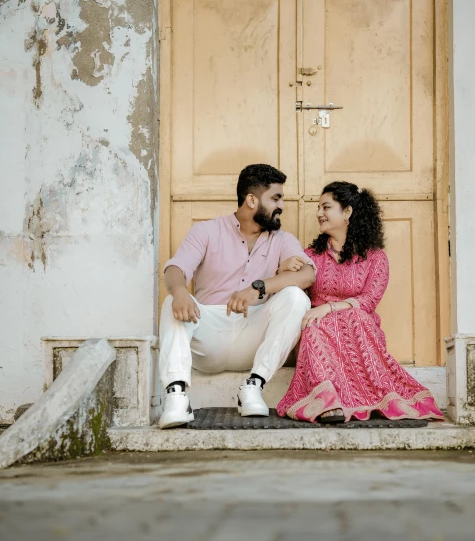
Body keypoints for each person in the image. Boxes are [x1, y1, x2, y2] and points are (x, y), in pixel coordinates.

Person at [158, 164, 315, 428]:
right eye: (276, 198)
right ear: (252, 200)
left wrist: (259, 287)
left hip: (253, 334)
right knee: (171, 302)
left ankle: (253, 388)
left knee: (296, 297)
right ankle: (176, 398)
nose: (282, 206)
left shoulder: (282, 239)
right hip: (209, 335)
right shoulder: (207, 231)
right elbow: (176, 268)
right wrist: (179, 291)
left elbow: (307, 275)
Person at [277, 181, 444, 424]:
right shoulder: (311, 256)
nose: (318, 214)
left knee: (353, 317)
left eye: (326, 207)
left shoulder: (375, 258)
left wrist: (330, 307)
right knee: (313, 326)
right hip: (320, 332)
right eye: (318, 208)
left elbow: (368, 301)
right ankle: (327, 402)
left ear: (348, 212)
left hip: (359, 330)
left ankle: (356, 398)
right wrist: (281, 268)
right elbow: (287, 291)